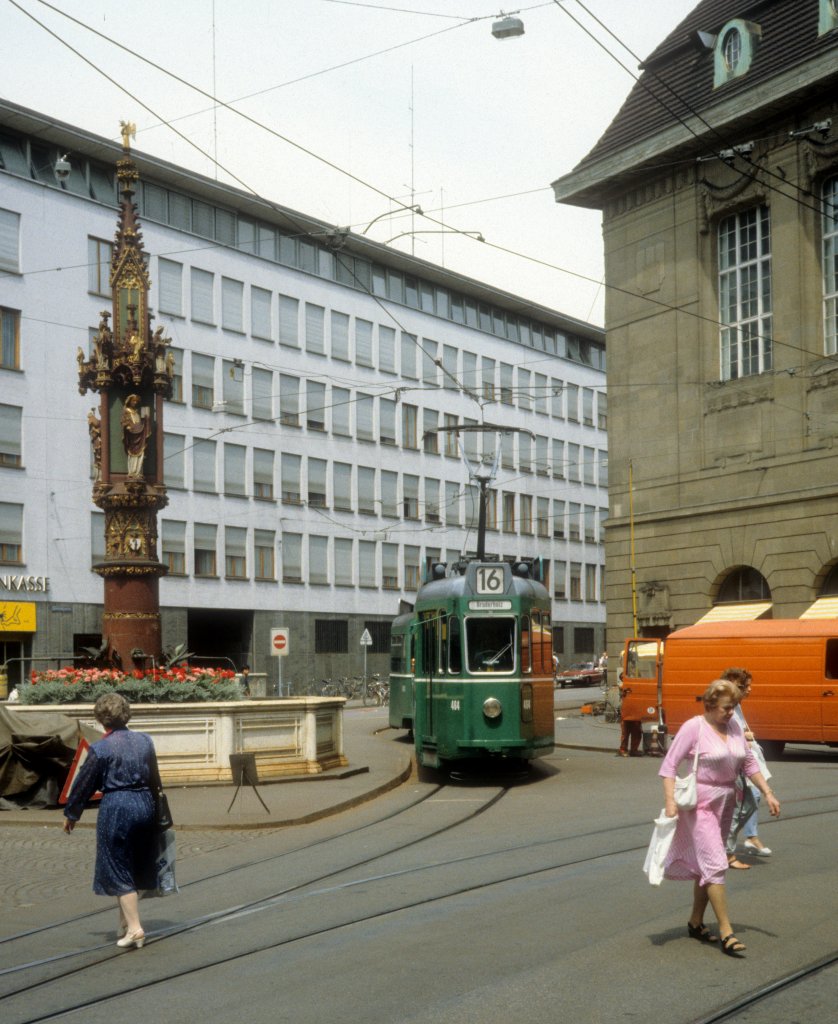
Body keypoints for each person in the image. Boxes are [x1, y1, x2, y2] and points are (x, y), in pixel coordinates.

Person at [659, 679, 780, 957]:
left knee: (708, 864)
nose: (731, 713)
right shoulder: (694, 727)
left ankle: (695, 921)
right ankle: (727, 932)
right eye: (727, 708)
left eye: (735, 707)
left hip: (727, 801)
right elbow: (668, 767)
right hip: (700, 804)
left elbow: (748, 762)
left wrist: (768, 792)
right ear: (711, 705)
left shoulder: (734, 726)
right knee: (716, 862)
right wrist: (670, 803)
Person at [63, 692, 162, 949]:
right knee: (136, 863)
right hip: (145, 804)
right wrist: (157, 811)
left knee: (118, 867)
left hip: (117, 807)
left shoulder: (100, 748)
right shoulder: (144, 741)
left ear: (100, 719)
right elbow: (155, 780)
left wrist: (72, 814)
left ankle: (136, 929)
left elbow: (84, 784)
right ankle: (126, 922)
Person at [721, 667, 773, 867]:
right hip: (730, 765)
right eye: (743, 686)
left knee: (751, 800)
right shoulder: (724, 706)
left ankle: (735, 843)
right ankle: (727, 852)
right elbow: (722, 732)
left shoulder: (736, 706)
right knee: (738, 807)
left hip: (743, 761)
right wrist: (744, 736)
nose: (748, 690)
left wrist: (768, 792)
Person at [121, 394, 150, 477]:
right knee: (132, 453)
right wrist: (127, 426)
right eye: (133, 401)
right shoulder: (126, 411)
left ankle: (138, 471)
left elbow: (139, 423)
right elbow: (123, 422)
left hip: (140, 435)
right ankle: (132, 471)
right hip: (132, 436)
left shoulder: (136, 412)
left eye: (136, 401)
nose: (135, 402)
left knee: (141, 452)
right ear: (129, 401)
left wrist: (145, 420)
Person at [617, 669, 643, 757]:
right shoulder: (623, 686)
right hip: (626, 712)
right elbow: (622, 694)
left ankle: (633, 750)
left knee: (637, 732)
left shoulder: (638, 686)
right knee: (625, 732)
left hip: (635, 711)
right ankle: (623, 749)